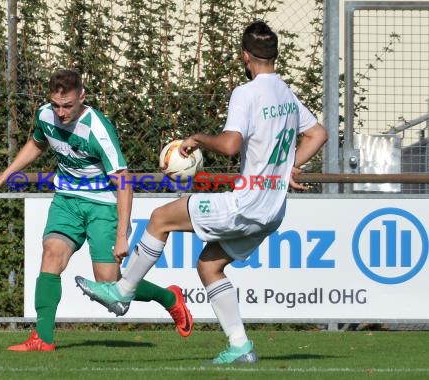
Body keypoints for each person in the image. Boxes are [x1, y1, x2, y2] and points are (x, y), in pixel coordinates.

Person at [75, 21, 328, 364]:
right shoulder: (285, 93)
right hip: (272, 209)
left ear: (244, 56)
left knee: (160, 218)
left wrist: (196, 138)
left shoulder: (247, 93)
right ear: (275, 55)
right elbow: (318, 134)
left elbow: (230, 144)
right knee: (210, 266)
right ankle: (240, 346)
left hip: (246, 202)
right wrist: (287, 169)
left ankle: (121, 293)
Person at [0, 68, 193, 352]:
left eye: (67, 105)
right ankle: (43, 339)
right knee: (51, 254)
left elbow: (124, 181)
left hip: (103, 206)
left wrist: (121, 234)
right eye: (56, 105)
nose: (60, 112)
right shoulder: (45, 116)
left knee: (109, 283)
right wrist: (1, 178)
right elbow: (36, 144)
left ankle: (169, 298)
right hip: (67, 200)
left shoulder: (97, 129)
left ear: (82, 96)